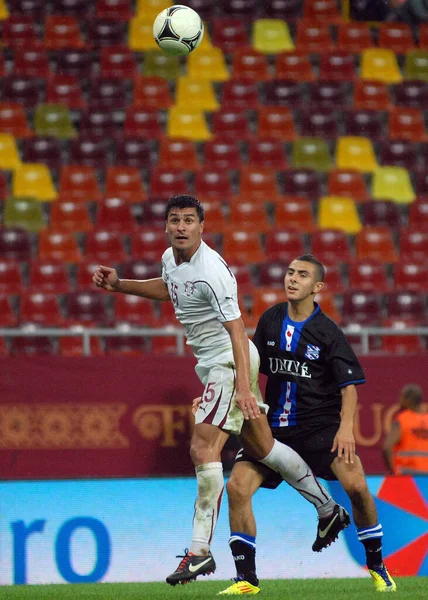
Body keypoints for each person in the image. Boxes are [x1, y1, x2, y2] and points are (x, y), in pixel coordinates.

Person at [92, 196, 349, 587]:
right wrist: (120, 285)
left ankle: (199, 552)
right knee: (264, 448)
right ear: (166, 226)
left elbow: (237, 330)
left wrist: (243, 388)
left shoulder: (212, 270)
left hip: (230, 361)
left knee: (203, 448)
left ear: (201, 227)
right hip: (215, 366)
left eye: (189, 221)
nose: (181, 226)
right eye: (175, 220)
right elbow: (169, 289)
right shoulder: (170, 259)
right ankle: (328, 509)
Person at [217, 255, 396, 595]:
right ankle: (246, 580)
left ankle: (378, 566)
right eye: (289, 272)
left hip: (319, 427)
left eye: (302, 275)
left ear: (317, 287)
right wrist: (221, 394)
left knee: (357, 486)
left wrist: (345, 429)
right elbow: (250, 367)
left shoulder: (328, 332)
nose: (292, 279)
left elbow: (350, 388)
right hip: (274, 430)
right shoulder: (271, 319)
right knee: (237, 487)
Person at [383, 384, 428, 475]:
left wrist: (393, 470)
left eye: (402, 397)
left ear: (408, 400)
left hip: (406, 476)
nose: (400, 400)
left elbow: (387, 447)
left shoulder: (402, 420)